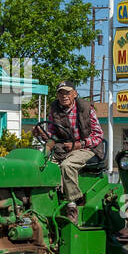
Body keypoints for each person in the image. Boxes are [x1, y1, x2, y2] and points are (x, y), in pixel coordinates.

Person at [35, 81, 105, 223]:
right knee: (44, 165)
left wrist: (80, 144)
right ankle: (48, 201)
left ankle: (73, 203)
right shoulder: (54, 109)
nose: (64, 96)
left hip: (88, 148)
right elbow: (52, 133)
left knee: (68, 165)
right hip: (63, 147)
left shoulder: (86, 108)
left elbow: (98, 135)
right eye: (60, 93)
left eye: (67, 92)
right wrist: (43, 134)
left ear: (74, 94)